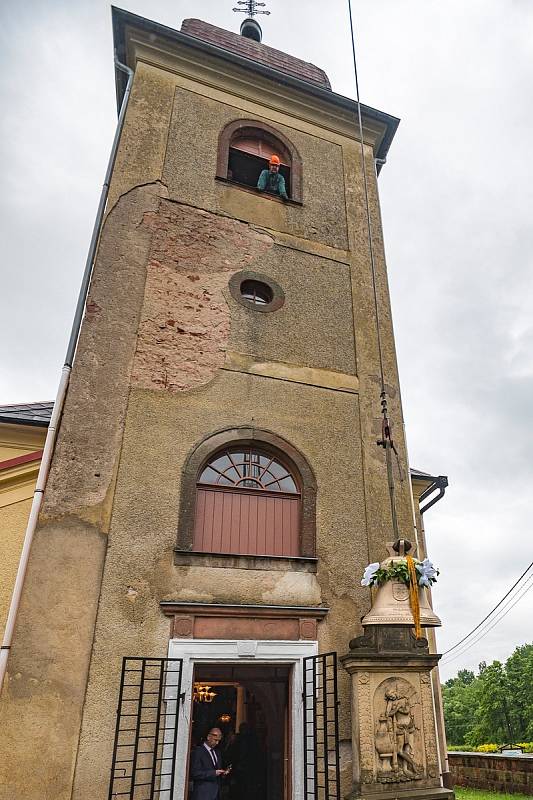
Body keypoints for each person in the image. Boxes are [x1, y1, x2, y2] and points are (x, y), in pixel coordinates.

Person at [190, 728, 231, 800]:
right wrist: (213, 773)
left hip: (216, 794)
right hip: (203, 794)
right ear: (209, 737)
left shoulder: (217, 752)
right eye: (215, 740)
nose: (217, 743)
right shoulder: (198, 752)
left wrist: (223, 774)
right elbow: (195, 773)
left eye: (219, 741)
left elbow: (217, 771)